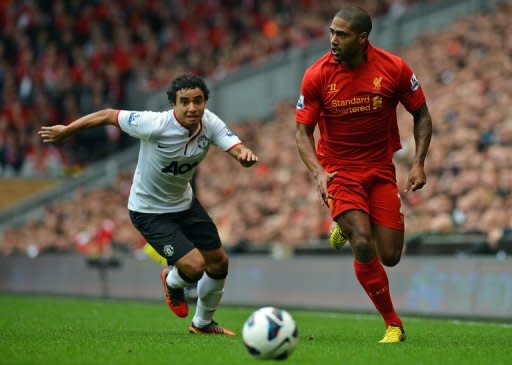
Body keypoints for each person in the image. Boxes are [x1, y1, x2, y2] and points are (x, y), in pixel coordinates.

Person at [39, 73, 259, 336]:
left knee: (219, 263)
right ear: (173, 105)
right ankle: (171, 279)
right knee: (195, 266)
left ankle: (202, 324)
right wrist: (68, 130)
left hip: (185, 204)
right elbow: (109, 114)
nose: (192, 108)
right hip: (149, 212)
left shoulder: (209, 123)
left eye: (198, 101)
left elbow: (234, 145)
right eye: (185, 102)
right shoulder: (153, 124)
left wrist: (243, 155)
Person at [295, 6, 432, 343]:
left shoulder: (393, 68)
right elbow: (302, 132)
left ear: (362, 38)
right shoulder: (316, 75)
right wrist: (317, 173)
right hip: (339, 172)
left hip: (380, 169)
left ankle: (349, 223)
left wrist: (418, 162)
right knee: (362, 240)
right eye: (331, 32)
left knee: (390, 256)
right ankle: (393, 324)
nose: (333, 40)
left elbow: (422, 114)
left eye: (341, 35)